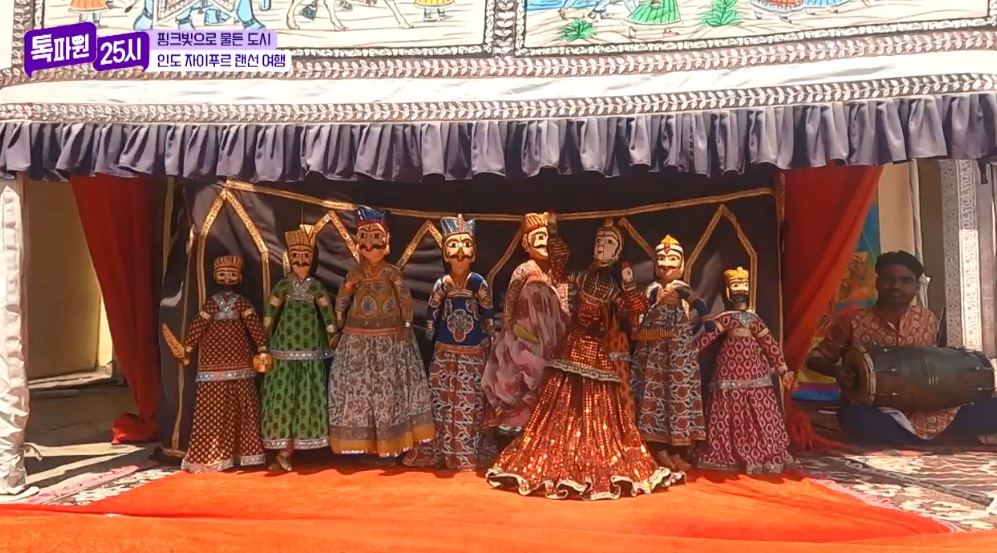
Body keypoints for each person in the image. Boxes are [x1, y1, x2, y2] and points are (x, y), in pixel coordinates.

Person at [486, 217, 680, 500]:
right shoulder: (580, 277)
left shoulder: (613, 289)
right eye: (599, 241)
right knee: (557, 407)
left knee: (598, 413)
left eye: (609, 243)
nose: (602, 246)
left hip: (596, 354)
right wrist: (553, 232)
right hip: (569, 347)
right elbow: (559, 268)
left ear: (617, 252)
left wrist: (629, 286)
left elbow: (632, 312)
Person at [807, 251, 997, 445]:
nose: (896, 286)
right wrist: (837, 371)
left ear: (916, 286)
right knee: (852, 416)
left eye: (905, 280)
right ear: (877, 282)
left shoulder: (928, 319)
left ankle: (912, 439)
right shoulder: (853, 321)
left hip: (932, 411)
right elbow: (815, 357)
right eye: (888, 279)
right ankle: (935, 440)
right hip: (878, 410)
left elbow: (940, 362)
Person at [328, 206, 434, 462]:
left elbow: (404, 297)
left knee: (388, 391)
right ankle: (361, 444)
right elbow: (343, 295)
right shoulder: (355, 272)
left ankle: (389, 443)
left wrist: (407, 322)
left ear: (387, 241)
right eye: (363, 236)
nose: (369, 243)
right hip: (357, 337)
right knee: (359, 391)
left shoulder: (391, 273)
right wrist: (339, 319)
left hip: (391, 337)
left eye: (376, 236)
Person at [403, 215, 497, 471]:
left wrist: (490, 333)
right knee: (442, 398)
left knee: (470, 398)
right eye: (453, 245)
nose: (460, 251)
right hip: (445, 348)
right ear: (445, 252)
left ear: (474, 251)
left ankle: (465, 448)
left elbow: (487, 310)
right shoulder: (442, 283)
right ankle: (442, 446)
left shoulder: (478, 282)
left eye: (465, 244)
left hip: (473, 349)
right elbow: (433, 308)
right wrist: (430, 329)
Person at [171, 255, 268, 473]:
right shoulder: (212, 304)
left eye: (232, 274)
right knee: (211, 410)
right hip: (213, 362)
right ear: (215, 276)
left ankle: (246, 453)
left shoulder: (242, 302)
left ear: (239, 277)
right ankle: (211, 455)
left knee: (244, 407)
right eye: (222, 274)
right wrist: (188, 348)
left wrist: (262, 348)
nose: (227, 278)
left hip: (240, 360)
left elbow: (254, 325)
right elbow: (198, 325)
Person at [695, 267, 793, 474]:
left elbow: (769, 343)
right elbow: (708, 337)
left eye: (744, 285)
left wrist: (782, 369)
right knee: (727, 405)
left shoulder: (754, 319)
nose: (741, 289)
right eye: (736, 285)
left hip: (754, 367)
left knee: (759, 404)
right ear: (728, 291)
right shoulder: (726, 318)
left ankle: (763, 450)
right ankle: (727, 451)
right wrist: (689, 351)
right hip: (729, 366)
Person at [482, 212, 568, 438]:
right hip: (524, 335)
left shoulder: (556, 275)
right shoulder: (524, 269)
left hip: (549, 337)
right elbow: (510, 300)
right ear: (526, 245)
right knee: (522, 374)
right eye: (537, 238)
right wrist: (510, 329)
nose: (542, 242)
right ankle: (516, 426)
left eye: (545, 237)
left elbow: (563, 306)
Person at [261, 225, 338, 472]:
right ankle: (282, 447)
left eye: (306, 256)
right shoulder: (283, 286)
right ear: (289, 258)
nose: (301, 261)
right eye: (296, 256)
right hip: (284, 348)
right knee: (283, 396)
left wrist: (332, 335)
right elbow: (270, 312)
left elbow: (326, 312)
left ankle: (292, 449)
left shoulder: (315, 287)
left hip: (310, 348)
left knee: (307, 395)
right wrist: (262, 340)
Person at [630, 235, 707, 472]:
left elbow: (698, 302)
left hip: (679, 354)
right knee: (654, 395)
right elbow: (645, 305)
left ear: (682, 263)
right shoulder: (652, 290)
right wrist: (660, 298)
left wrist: (708, 320)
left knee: (679, 396)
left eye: (672, 258)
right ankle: (658, 449)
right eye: (661, 259)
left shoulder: (681, 288)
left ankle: (676, 451)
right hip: (655, 354)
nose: (665, 263)